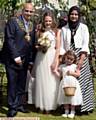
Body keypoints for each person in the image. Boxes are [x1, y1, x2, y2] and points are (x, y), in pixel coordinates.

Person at [1, 3, 36, 117]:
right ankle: (12, 107)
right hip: (12, 59)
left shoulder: (31, 25)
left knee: (21, 83)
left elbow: (31, 43)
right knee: (12, 83)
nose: (29, 13)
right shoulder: (13, 22)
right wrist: (16, 56)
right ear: (22, 10)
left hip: (25, 60)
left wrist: (30, 60)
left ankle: (20, 105)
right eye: (27, 11)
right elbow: (9, 39)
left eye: (31, 11)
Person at [60, 6, 94, 114]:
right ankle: (68, 107)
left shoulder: (84, 27)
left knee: (82, 83)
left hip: (81, 56)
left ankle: (83, 108)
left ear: (78, 16)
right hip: (68, 57)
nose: (74, 16)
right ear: (69, 15)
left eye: (76, 14)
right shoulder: (64, 29)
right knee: (69, 82)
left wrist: (81, 61)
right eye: (72, 14)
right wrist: (64, 59)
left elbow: (85, 45)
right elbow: (61, 46)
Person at [33, 11, 60, 114]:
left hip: (51, 57)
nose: (48, 23)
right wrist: (40, 46)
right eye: (46, 21)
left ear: (52, 20)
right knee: (41, 81)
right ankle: (41, 105)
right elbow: (35, 45)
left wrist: (55, 61)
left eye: (49, 21)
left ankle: (49, 106)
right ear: (43, 21)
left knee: (51, 81)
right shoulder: (40, 31)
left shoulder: (57, 31)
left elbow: (58, 48)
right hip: (41, 57)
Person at [57, 50, 83, 119]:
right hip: (65, 84)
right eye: (68, 58)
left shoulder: (74, 66)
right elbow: (59, 75)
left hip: (73, 84)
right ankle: (66, 111)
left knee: (72, 98)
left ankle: (72, 112)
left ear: (74, 60)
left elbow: (78, 74)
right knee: (65, 98)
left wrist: (72, 73)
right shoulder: (62, 66)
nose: (69, 60)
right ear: (65, 57)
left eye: (71, 59)